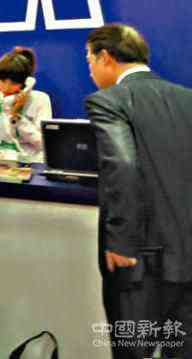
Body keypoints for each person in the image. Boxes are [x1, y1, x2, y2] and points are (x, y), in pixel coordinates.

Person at [84, 24, 192, 359]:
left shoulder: (109, 101)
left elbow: (122, 165)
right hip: (186, 254)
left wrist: (120, 239)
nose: (90, 70)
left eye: (89, 60)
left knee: (133, 350)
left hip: (140, 260)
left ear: (105, 57)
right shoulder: (186, 98)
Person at [0, 47, 52, 159]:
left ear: (26, 82)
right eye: (2, 81)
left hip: (32, 160)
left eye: (13, 83)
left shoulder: (40, 99)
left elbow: (43, 143)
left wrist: (17, 118)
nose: (6, 87)